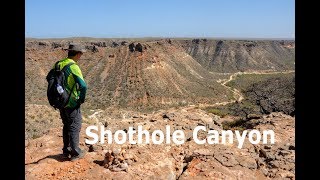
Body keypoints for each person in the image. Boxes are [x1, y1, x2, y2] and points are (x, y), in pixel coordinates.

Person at [53, 43, 88, 161]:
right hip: (72, 102)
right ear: (77, 54)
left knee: (66, 125)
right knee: (75, 125)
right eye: (81, 53)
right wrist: (81, 98)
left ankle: (66, 150)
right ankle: (75, 153)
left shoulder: (58, 63)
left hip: (61, 101)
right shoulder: (74, 66)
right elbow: (83, 85)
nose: (81, 56)